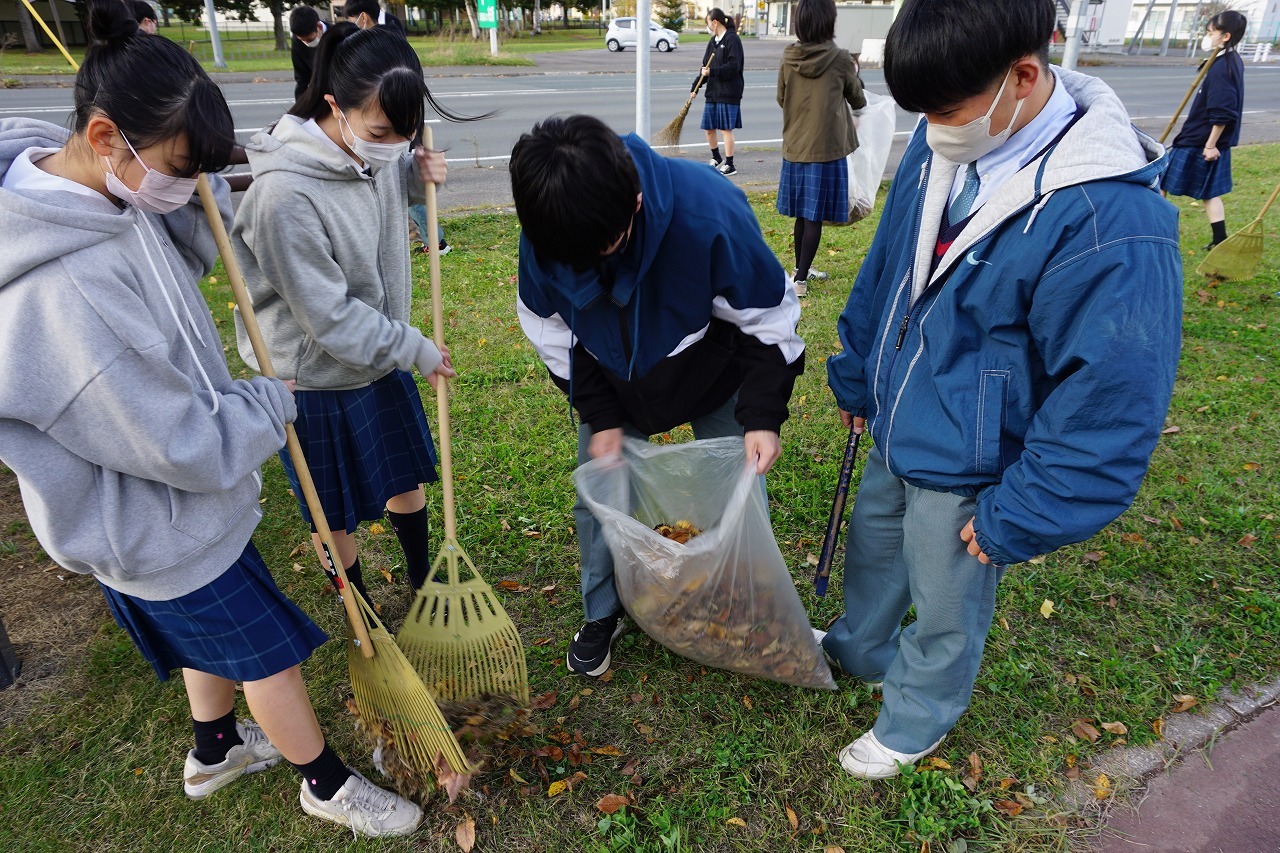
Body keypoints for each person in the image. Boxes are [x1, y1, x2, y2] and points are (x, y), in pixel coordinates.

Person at [0, 0, 421, 837]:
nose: (182, 180)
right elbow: (176, 441)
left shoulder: (89, 190)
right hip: (146, 511)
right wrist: (265, 405)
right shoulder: (64, 293)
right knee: (267, 650)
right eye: (174, 165)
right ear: (106, 134)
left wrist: (192, 205)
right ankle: (326, 782)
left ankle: (213, 748)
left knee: (207, 636)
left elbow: (164, 257)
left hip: (171, 504)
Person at [821, 0, 1182, 780]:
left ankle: (917, 719)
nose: (932, 126)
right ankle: (859, 646)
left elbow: (1111, 399)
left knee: (946, 599)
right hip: (896, 412)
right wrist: (857, 368)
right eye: (922, 113)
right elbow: (886, 268)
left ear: (1024, 74)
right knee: (876, 545)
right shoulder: (943, 133)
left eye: (945, 111)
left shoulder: (1108, 214)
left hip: (975, 457)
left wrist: (1026, 511)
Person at [510, 115, 806, 678]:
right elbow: (551, 334)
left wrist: (763, 416)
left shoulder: (708, 213)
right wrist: (600, 416)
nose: (594, 264)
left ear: (636, 203)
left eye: (607, 246)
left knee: (740, 492)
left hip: (712, 369)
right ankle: (603, 612)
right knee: (600, 494)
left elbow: (771, 320)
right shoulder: (548, 234)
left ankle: (748, 604)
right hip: (612, 385)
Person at [232, 24, 465, 602]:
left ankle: (422, 582)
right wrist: (413, 347)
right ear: (334, 105)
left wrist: (412, 175)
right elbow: (329, 318)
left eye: (406, 133)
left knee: (403, 477)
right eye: (384, 132)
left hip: (377, 355)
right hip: (314, 377)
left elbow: (379, 181)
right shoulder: (284, 197)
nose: (394, 143)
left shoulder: (373, 150)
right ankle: (361, 611)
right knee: (332, 513)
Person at [776, 0, 864, 296]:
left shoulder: (789, 55)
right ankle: (801, 279)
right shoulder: (839, 58)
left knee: (803, 214)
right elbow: (857, 97)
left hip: (796, 145)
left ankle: (801, 269)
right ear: (829, 21)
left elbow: (781, 97)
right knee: (814, 215)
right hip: (826, 149)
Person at [1162, 10, 1247, 251]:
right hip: (1204, 139)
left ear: (1226, 36)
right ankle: (1219, 240)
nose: (1207, 37)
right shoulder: (1228, 61)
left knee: (1160, 181)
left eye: (1211, 33)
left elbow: (1223, 110)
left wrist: (1211, 145)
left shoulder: (1223, 67)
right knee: (1209, 192)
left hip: (1199, 140)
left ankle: (1156, 229)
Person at [696, 9, 744, 176]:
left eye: (708, 23)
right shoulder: (712, 42)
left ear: (715, 22)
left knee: (725, 129)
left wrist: (712, 72)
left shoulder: (732, 40)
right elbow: (704, 68)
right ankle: (716, 157)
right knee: (709, 128)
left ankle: (730, 164)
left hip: (729, 91)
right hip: (713, 92)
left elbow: (733, 67)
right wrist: (696, 85)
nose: (708, 26)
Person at [289, 5, 327, 101]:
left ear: (319, 26)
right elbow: (302, 77)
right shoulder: (297, 40)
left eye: (310, 39)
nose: (306, 43)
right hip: (318, 94)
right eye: (302, 40)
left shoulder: (339, 35)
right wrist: (300, 105)